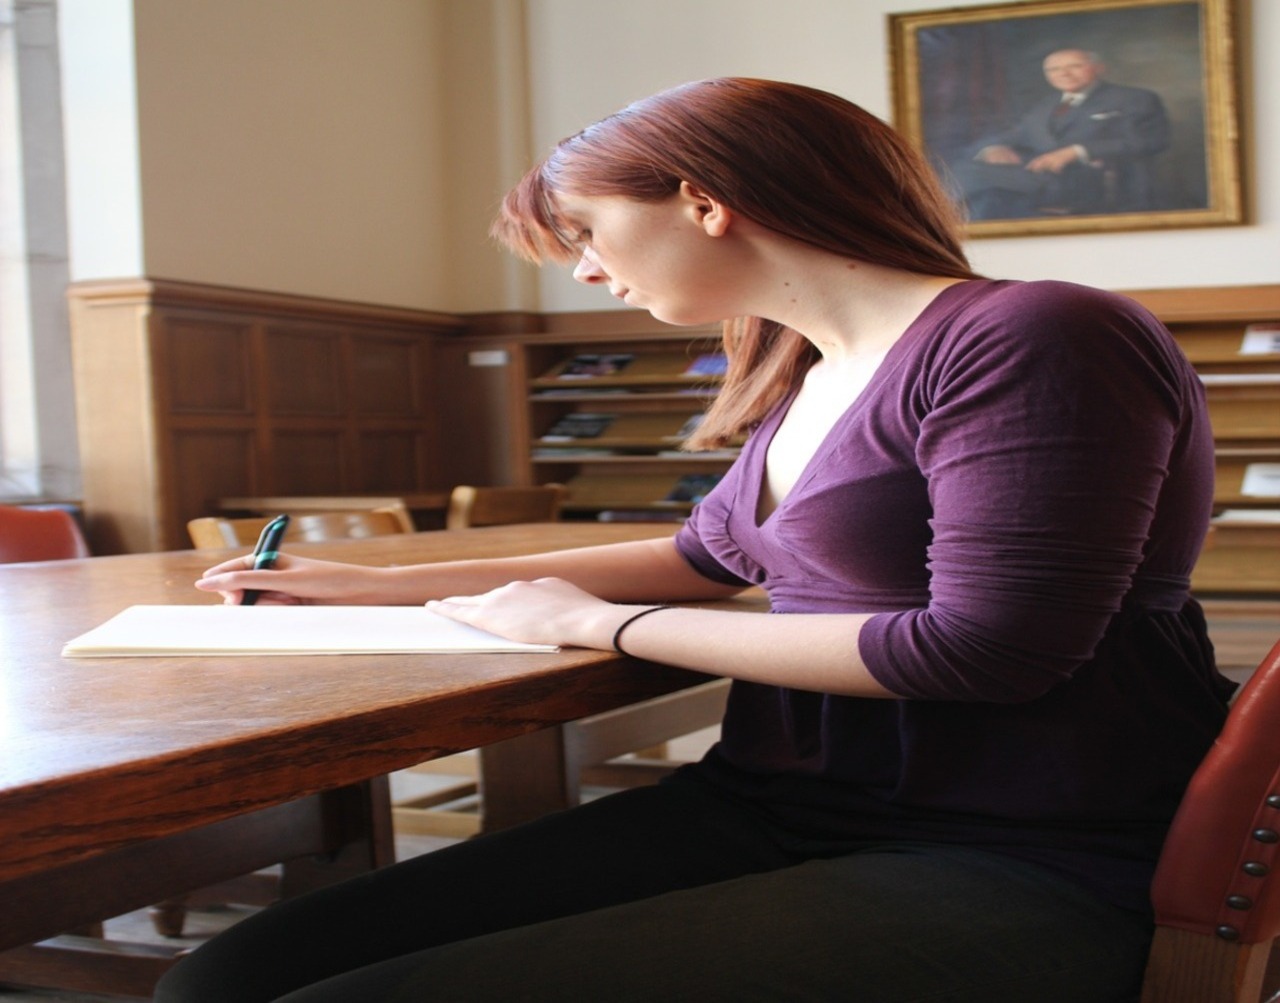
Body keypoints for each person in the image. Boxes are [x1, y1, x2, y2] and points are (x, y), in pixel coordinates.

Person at [155, 77, 1233, 1002]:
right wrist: (374, 585)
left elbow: (984, 650)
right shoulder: (808, 371)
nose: (580, 269)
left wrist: (610, 629)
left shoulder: (1033, 334)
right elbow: (702, 555)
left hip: (1026, 841)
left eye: (585, 232)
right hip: (779, 799)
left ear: (702, 201)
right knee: (222, 978)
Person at [953, 49, 1171, 219]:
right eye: (1053, 69)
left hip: (1096, 182)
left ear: (1099, 68)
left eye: (1075, 66)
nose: (1063, 73)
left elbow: (1151, 141)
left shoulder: (1133, 98)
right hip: (1039, 179)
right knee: (966, 174)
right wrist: (993, 148)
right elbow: (1013, 134)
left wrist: (1077, 151)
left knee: (975, 183)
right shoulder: (1045, 106)